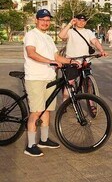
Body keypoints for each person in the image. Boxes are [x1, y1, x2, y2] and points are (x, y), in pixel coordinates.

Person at [23, 9, 75, 157]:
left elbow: (56, 56)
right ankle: (30, 145)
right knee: (37, 111)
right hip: (35, 78)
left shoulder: (48, 38)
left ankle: (44, 140)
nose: (45, 22)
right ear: (36, 20)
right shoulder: (31, 35)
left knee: (47, 110)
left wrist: (72, 61)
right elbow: (31, 53)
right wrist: (51, 61)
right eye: (42, 20)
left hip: (49, 77)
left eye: (47, 20)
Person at [58, 14, 108, 101]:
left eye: (83, 21)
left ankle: (91, 103)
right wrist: (70, 24)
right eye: (79, 20)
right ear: (75, 20)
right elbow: (61, 36)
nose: (81, 22)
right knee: (70, 82)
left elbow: (95, 41)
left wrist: (101, 50)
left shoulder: (88, 32)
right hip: (72, 60)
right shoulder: (70, 31)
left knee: (88, 82)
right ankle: (64, 102)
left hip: (85, 60)